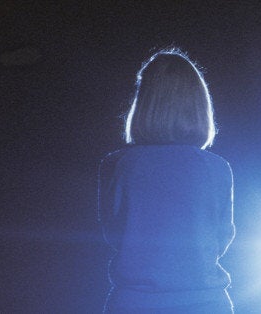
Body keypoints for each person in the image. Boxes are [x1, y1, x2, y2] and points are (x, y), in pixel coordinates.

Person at [98, 49, 235, 314]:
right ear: (199, 103)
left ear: (144, 100)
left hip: (135, 303)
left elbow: (112, 235)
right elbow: (221, 240)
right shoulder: (218, 168)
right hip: (206, 303)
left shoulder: (117, 164)